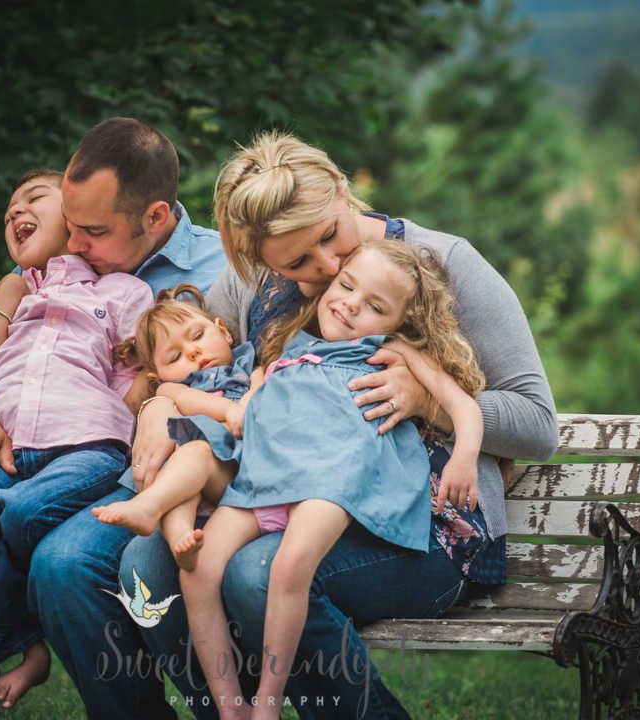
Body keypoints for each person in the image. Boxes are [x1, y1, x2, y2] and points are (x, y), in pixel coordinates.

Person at [120, 130, 557, 719]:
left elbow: (537, 422)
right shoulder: (251, 285)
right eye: (297, 262)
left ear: (342, 191)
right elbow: (185, 360)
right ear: (259, 261)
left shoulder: (443, 263)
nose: (327, 267)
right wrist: (157, 407)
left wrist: (425, 399)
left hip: (425, 527)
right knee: (147, 564)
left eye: (330, 236)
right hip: (291, 493)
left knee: (257, 572)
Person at [0, 118, 226, 719]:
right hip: (30, 464)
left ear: (154, 217)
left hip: (152, 478)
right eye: (68, 220)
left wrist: (160, 402)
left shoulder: (222, 273)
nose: (72, 238)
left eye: (90, 231)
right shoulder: (51, 265)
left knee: (64, 562)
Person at [168, 239, 483, 719]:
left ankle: (268, 703)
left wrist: (464, 455)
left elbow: (464, 405)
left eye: (375, 306)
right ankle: (230, 706)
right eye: (347, 286)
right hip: (266, 479)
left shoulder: (391, 349)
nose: (351, 305)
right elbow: (240, 408)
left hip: (334, 481)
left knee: (290, 567)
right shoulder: (291, 346)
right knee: (197, 571)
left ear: (402, 322)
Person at [0, 167, 154, 708]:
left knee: (19, 514)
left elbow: (133, 382)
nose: (14, 211)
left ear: (75, 217)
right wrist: (10, 290)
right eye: (8, 210)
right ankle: (25, 648)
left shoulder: (119, 290)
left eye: (34, 198)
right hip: (9, 456)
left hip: (89, 447)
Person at [93, 284, 263, 570]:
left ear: (223, 330)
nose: (194, 352)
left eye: (197, 336)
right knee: (178, 468)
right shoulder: (170, 390)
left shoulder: (249, 365)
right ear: (157, 376)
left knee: (193, 455)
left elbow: (262, 384)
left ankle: (149, 508)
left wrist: (245, 403)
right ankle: (180, 540)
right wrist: (229, 411)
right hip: (193, 474)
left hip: (236, 470)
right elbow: (189, 398)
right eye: (174, 357)